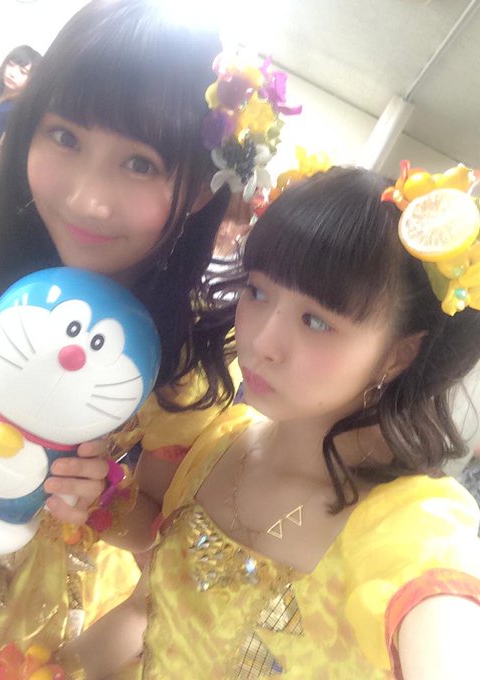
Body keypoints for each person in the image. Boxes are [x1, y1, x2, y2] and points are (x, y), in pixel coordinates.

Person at [52, 166, 480, 679]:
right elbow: (144, 612)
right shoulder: (220, 441)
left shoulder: (412, 525)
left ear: (398, 355)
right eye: (257, 291)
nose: (261, 341)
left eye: (316, 321)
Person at [0, 0, 273, 674]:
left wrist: (101, 501)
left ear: (200, 189)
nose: (87, 199)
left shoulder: (191, 362)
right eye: (65, 136)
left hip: (34, 613)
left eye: (138, 163)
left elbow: (159, 537)